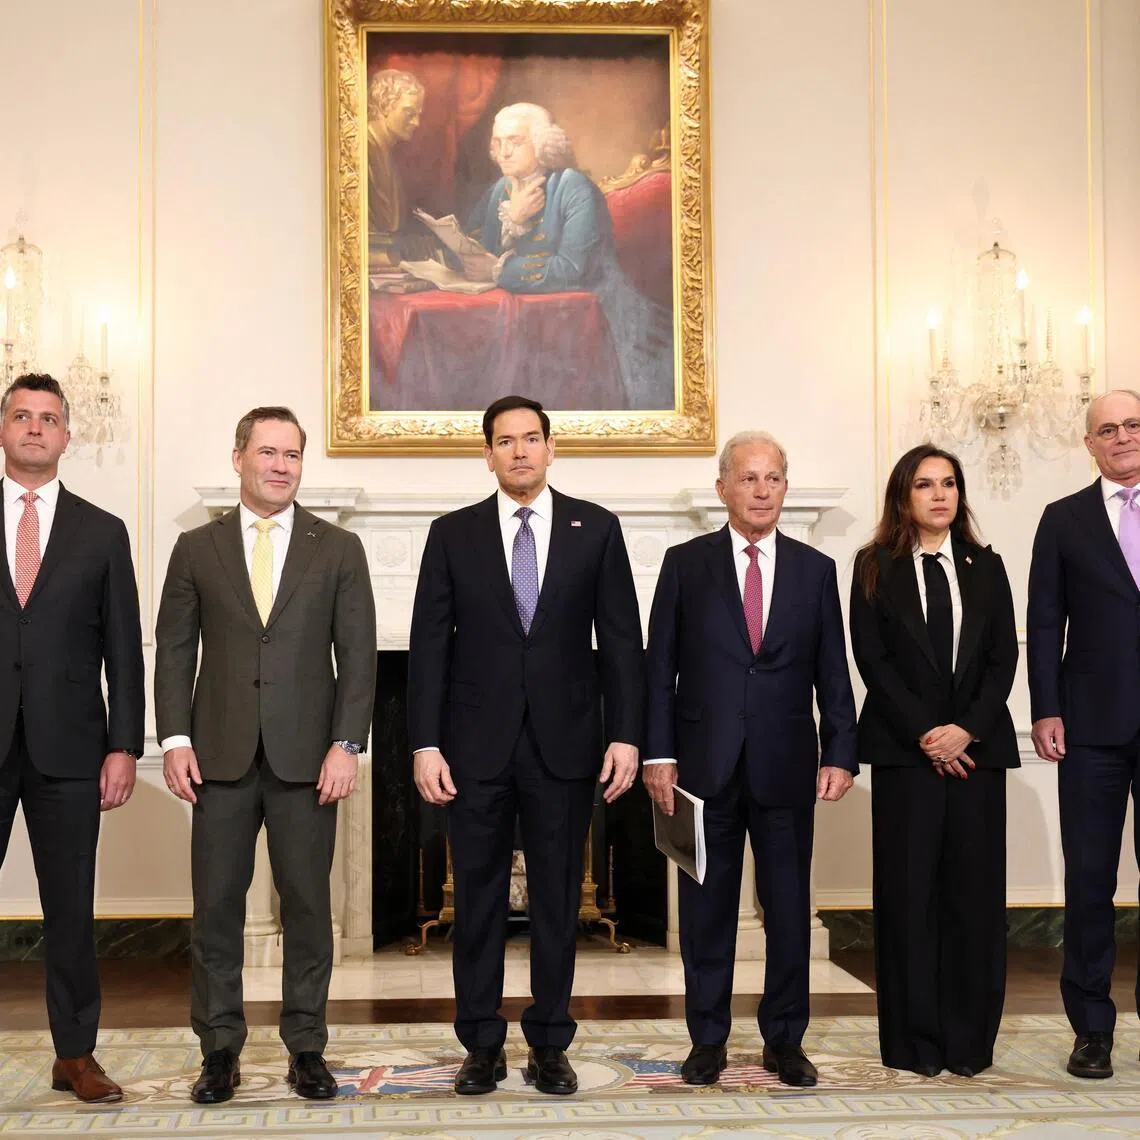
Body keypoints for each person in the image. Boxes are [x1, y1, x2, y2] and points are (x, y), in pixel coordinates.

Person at [408, 394, 644, 1096]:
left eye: (531, 438)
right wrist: (425, 743)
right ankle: (480, 1044)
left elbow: (623, 643)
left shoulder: (595, 529)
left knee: (556, 903)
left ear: (549, 448)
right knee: (476, 904)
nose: (519, 451)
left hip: (566, 748)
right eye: (505, 440)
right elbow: (427, 649)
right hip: (473, 749)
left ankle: (549, 1043)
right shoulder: (451, 534)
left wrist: (627, 734)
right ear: (487, 453)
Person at [155, 406, 376, 1103]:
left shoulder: (338, 549)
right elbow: (173, 651)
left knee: (310, 910)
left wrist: (347, 745)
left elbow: (360, 658)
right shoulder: (197, 547)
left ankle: (307, 1048)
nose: (281, 466)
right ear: (239, 457)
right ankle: (219, 1051)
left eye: (293, 455)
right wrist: (174, 740)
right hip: (215, 760)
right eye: (268, 452)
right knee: (215, 910)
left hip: (309, 764)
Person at [643, 431, 857, 1088]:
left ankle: (784, 1040)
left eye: (773, 478)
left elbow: (833, 672)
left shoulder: (817, 570)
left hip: (787, 764)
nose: (762, 490)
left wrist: (841, 751)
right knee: (707, 914)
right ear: (723, 489)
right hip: (702, 769)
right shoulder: (684, 564)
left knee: (788, 909)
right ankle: (707, 1039)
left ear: (785, 488)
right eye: (749, 478)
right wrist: (658, 753)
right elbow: (659, 670)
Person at [850, 444, 1018, 1078]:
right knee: (908, 899)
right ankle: (913, 1045)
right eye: (925, 485)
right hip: (905, 755)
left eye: (949, 483)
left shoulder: (987, 565)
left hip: (978, 757)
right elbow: (874, 662)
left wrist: (964, 732)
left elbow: (1003, 658)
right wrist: (928, 732)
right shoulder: (873, 567)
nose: (940, 494)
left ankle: (969, 1044)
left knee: (972, 902)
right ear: (904, 496)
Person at [0, 373, 144, 1103]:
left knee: (70, 908)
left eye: (48, 419)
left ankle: (76, 1054)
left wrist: (124, 745)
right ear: (3, 428)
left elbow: (125, 649)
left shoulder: (102, 531)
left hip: (71, 749)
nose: (35, 428)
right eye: (22, 416)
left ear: (66, 435)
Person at [1028, 388, 1140, 1080]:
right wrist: (1045, 708)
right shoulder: (1063, 519)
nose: (1123, 436)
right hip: (1091, 728)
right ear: (1090, 444)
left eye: (1132, 424)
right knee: (1090, 881)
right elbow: (1045, 622)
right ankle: (1091, 1029)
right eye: (1108, 429)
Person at [460, 104, 672, 411]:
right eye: (498, 142)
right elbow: (474, 246)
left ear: (543, 143)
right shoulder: (500, 190)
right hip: (532, 322)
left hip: (603, 320)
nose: (503, 152)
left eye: (515, 141)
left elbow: (571, 269)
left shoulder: (573, 186)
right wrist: (513, 221)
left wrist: (498, 270)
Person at [367, 69, 425, 240]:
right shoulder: (362, 151)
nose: (416, 123)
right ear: (385, 106)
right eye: (409, 114)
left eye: (417, 115)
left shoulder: (386, 154)